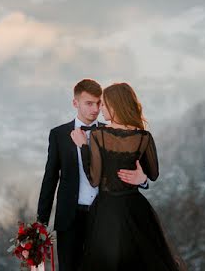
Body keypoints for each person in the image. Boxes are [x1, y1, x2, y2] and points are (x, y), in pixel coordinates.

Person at [70, 82, 188, 271]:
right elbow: (154, 174)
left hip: (107, 211)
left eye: (105, 104)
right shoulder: (143, 137)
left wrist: (83, 146)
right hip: (136, 209)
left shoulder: (99, 135)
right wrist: (142, 179)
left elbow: (94, 178)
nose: (101, 109)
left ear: (116, 105)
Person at [37, 79, 150, 271]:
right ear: (75, 103)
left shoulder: (113, 133)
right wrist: (40, 223)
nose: (96, 109)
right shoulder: (59, 134)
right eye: (89, 103)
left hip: (104, 216)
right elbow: (50, 179)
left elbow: (134, 171)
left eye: (99, 103)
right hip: (68, 219)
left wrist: (144, 181)